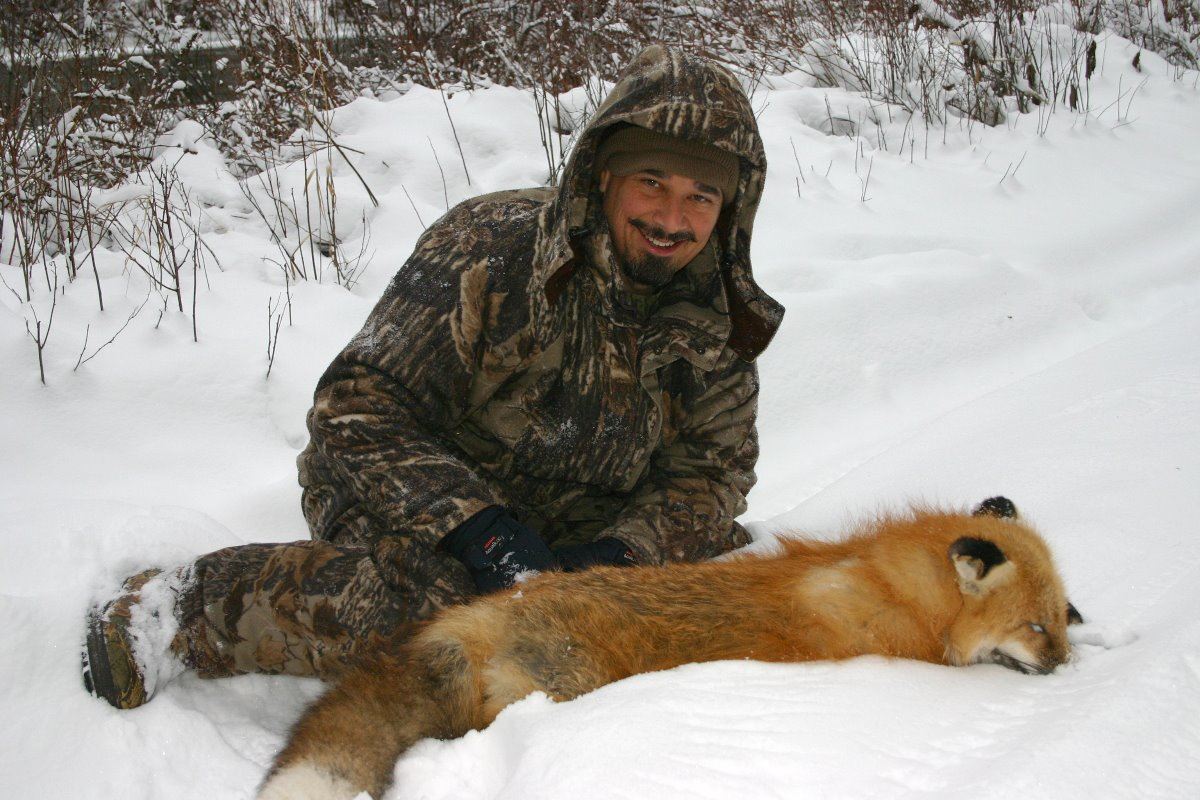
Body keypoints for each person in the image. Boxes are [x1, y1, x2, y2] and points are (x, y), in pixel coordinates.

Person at [82, 45, 784, 709]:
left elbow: (711, 474)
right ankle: (179, 609)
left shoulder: (718, 310)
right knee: (451, 621)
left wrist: (620, 556)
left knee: (719, 591)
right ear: (605, 175)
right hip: (412, 499)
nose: (671, 219)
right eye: (652, 183)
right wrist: (483, 533)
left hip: (584, 531)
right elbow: (356, 407)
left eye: (701, 197)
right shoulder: (493, 247)